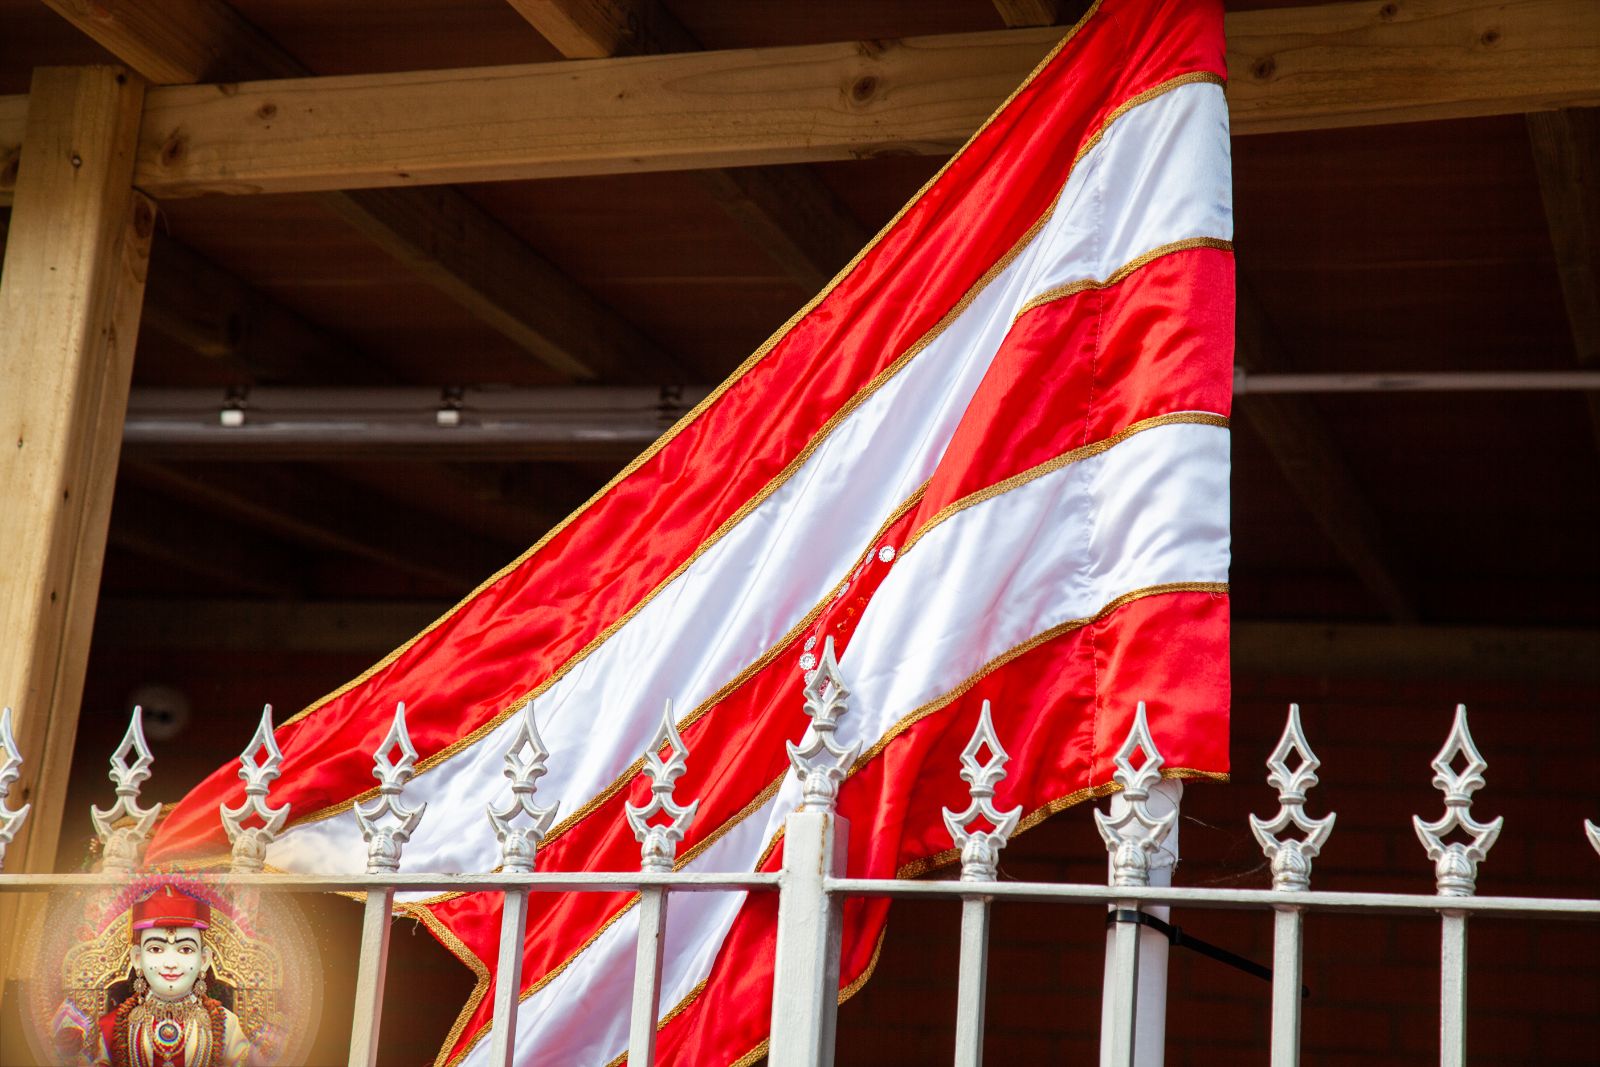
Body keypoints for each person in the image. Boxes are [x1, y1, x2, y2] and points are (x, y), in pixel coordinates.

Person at [63, 885, 258, 1067]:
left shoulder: (227, 1026)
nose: (171, 963)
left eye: (186, 949)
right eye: (156, 949)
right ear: (137, 958)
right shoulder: (111, 1028)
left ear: (204, 960)